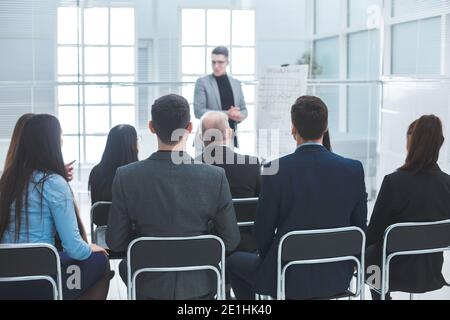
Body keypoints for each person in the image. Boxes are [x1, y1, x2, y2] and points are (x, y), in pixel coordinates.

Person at [227, 95, 368, 300]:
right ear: (326, 128)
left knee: (233, 262)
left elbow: (262, 233)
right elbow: (359, 229)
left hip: (288, 275)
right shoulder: (354, 170)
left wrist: (271, 262)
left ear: (293, 129)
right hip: (337, 277)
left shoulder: (274, 171)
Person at [106, 94, 240, 300]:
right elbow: (230, 241)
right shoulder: (214, 177)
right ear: (189, 128)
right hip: (200, 285)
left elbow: (115, 242)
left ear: (151, 127)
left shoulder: (126, 176)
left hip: (148, 284)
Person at [0, 114, 110, 300]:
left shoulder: (7, 180)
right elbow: (75, 248)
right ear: (50, 144)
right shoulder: (53, 183)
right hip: (42, 279)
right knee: (101, 261)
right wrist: (91, 248)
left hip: (5, 281)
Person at [366, 115, 450, 300]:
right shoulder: (447, 184)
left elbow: (374, 234)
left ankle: (381, 297)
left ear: (411, 143)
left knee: (367, 256)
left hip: (392, 271)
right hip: (431, 271)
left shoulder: (394, 182)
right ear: (440, 144)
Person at [194, 46, 248, 147]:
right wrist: (228, 114)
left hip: (231, 137)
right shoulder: (202, 82)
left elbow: (244, 110)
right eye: (213, 62)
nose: (216, 66)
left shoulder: (236, 83)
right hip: (208, 139)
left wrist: (238, 115)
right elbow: (198, 111)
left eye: (220, 62)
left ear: (227, 62)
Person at [88, 124, 139, 204]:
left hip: (102, 217)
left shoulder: (96, 172)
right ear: (132, 145)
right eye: (137, 140)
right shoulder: (138, 174)